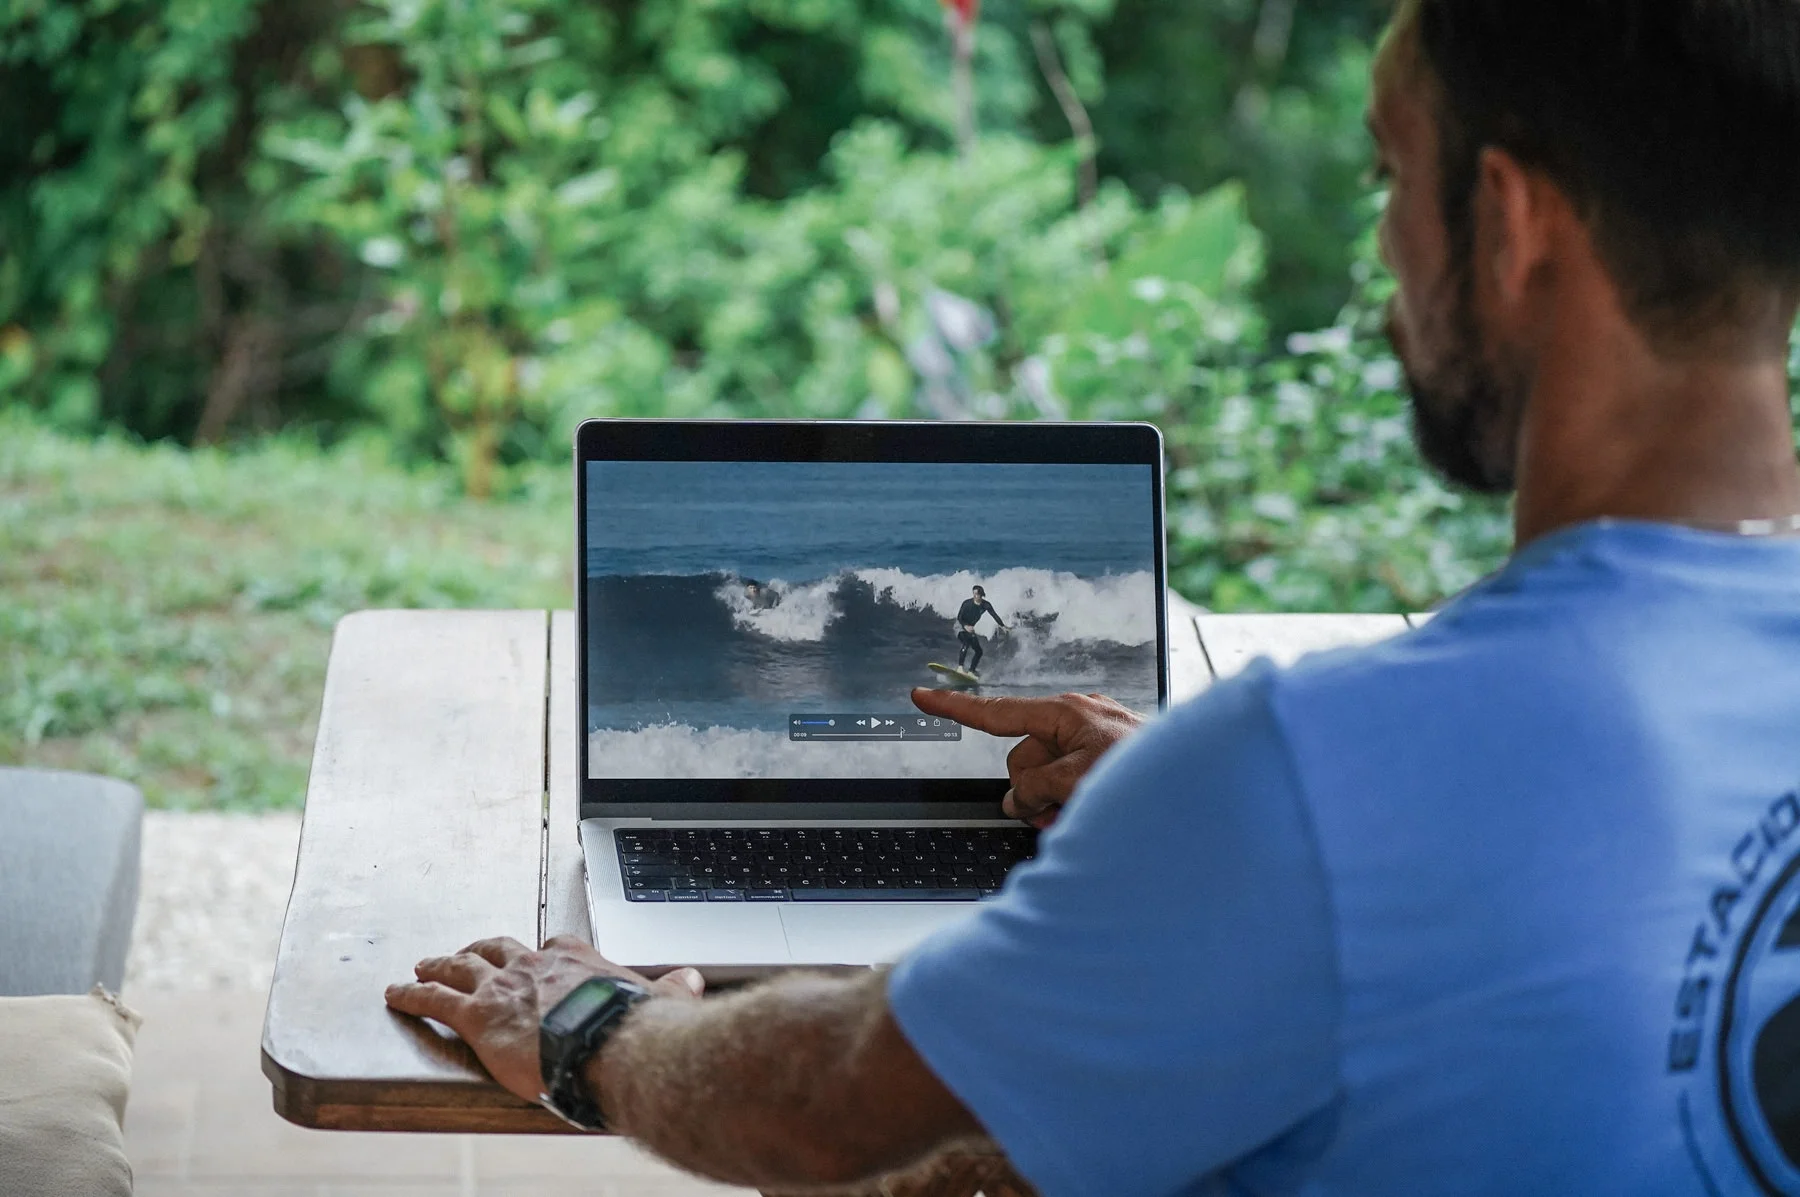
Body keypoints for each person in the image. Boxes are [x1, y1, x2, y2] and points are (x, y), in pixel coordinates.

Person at [382, 2, 1800, 1193]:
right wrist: (1197, 817)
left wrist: (588, 1021)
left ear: (1508, 221)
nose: (1383, 252)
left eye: (1388, 178)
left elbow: (823, 1107)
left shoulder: (1323, 769)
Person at [953, 584, 1008, 675]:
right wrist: (965, 626)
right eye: (973, 593)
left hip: (970, 628)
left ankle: (971, 671)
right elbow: (959, 617)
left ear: (981, 594)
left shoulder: (986, 605)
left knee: (979, 651)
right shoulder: (967, 603)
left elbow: (994, 615)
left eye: (976, 594)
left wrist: (1003, 626)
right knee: (966, 643)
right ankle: (960, 668)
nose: (974, 596)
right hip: (960, 625)